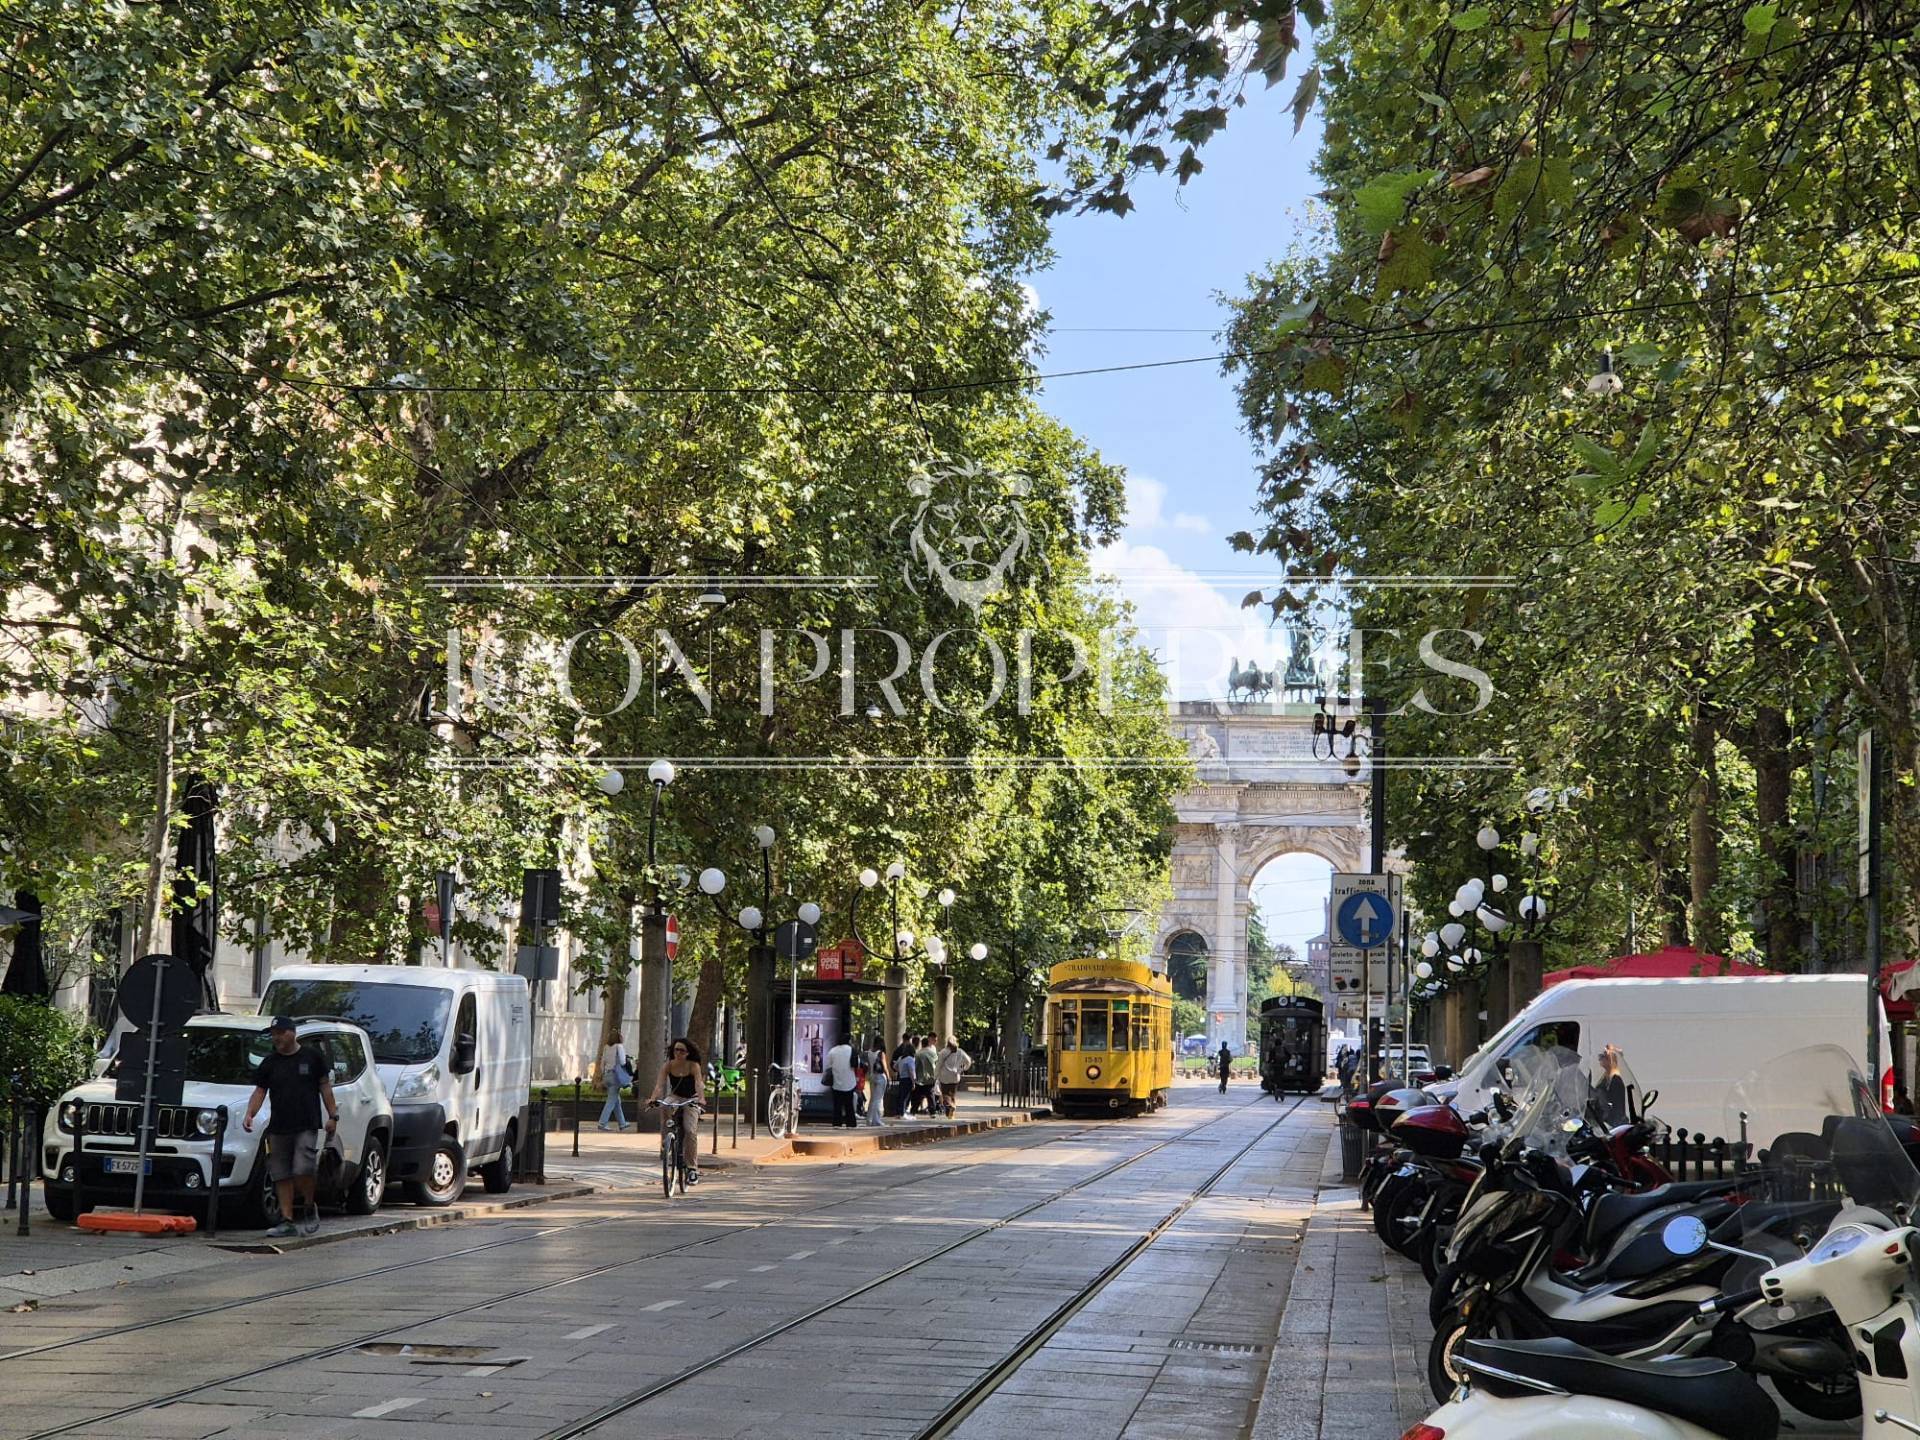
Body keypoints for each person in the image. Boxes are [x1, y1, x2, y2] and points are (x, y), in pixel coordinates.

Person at [242, 1016, 338, 1239]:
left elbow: (325, 1087)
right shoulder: (270, 1063)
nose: (276, 1038)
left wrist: (333, 1115)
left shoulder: (312, 1057)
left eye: (280, 1033)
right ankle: (287, 1220)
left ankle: (308, 1204)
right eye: (273, 1034)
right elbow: (259, 1091)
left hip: (306, 1123)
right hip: (279, 1126)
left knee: (302, 1167)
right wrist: (250, 1114)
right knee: (280, 1172)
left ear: (292, 1033)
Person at [649, 1037, 707, 1184]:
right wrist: (653, 1098)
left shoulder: (693, 1066)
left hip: (691, 1099)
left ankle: (692, 1168)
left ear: (688, 1053)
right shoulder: (668, 1065)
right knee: (665, 1105)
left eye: (682, 1050)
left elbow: (699, 1083)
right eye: (676, 1050)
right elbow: (659, 1085)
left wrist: (701, 1098)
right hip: (675, 1096)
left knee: (690, 1130)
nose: (678, 1053)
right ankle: (666, 1141)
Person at [599, 1032, 632, 1132]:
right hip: (615, 1076)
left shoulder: (606, 1047)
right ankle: (602, 1123)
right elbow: (622, 1061)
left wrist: (603, 1074)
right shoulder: (619, 1046)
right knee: (611, 1101)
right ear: (619, 1038)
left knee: (616, 1100)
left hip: (607, 1075)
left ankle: (622, 1123)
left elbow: (602, 1063)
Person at [825, 1033, 860, 1127]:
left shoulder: (833, 1051)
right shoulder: (852, 1050)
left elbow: (828, 1065)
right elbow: (857, 1064)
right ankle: (851, 1122)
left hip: (836, 1082)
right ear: (849, 1041)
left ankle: (837, 1122)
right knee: (849, 1105)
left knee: (837, 1105)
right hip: (849, 1082)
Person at [935, 1036, 972, 1118]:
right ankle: (951, 1114)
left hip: (944, 1077)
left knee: (945, 1095)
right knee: (952, 1095)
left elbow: (938, 1065)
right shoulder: (960, 1051)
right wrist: (963, 1069)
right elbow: (968, 1061)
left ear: (947, 1042)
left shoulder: (943, 1052)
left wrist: (935, 1075)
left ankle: (950, 1107)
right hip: (955, 1076)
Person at [866, 1039, 891, 1127]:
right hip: (880, 1076)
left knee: (872, 1099)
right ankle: (876, 1120)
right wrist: (889, 1077)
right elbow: (884, 1067)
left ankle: (869, 1119)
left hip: (872, 1076)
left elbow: (869, 1066)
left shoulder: (869, 1052)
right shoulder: (881, 1053)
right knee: (878, 1099)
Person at [913, 1035, 939, 1116]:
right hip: (931, 1077)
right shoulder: (933, 1053)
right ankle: (932, 1111)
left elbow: (916, 1066)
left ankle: (913, 1110)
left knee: (918, 1095)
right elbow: (936, 1063)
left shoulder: (918, 1054)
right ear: (928, 1043)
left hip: (920, 1078)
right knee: (930, 1095)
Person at [893, 1040, 917, 1116]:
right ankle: (903, 1112)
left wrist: (900, 1070)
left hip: (901, 1078)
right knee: (906, 1097)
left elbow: (894, 1066)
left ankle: (899, 1112)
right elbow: (911, 1071)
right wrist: (913, 1082)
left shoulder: (901, 1058)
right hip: (908, 1079)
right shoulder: (910, 1059)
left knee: (901, 1096)